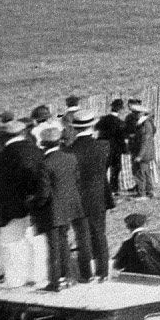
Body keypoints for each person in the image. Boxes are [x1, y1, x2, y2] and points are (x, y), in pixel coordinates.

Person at [38, 122, 93, 289]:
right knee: (64, 242)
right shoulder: (70, 158)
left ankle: (55, 282)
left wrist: (35, 203)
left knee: (54, 246)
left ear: (43, 144)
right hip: (71, 205)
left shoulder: (45, 164)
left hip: (54, 209)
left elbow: (44, 193)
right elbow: (75, 180)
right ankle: (69, 277)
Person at [0, 118, 44, 287]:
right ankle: (37, 275)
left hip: (12, 206)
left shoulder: (3, 156)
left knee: (12, 243)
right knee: (36, 241)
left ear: (4, 137)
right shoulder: (37, 150)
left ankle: (15, 279)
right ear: (22, 133)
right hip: (36, 203)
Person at [66, 110, 111, 279]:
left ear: (75, 129)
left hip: (78, 198)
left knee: (82, 237)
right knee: (100, 234)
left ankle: (86, 274)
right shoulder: (103, 146)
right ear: (92, 126)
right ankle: (103, 273)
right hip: (99, 196)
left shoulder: (69, 151)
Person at [126, 100, 157, 198]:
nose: (135, 115)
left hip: (143, 153)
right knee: (145, 172)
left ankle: (142, 193)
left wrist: (139, 155)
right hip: (146, 152)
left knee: (139, 173)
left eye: (137, 113)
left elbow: (145, 141)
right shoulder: (145, 123)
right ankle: (149, 191)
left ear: (142, 113)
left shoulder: (145, 124)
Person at [98, 100, 127, 197]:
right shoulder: (120, 122)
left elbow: (98, 129)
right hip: (115, 149)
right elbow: (122, 137)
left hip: (103, 147)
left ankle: (102, 188)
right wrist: (124, 149)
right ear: (119, 109)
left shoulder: (103, 120)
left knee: (103, 169)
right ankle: (114, 189)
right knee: (116, 169)